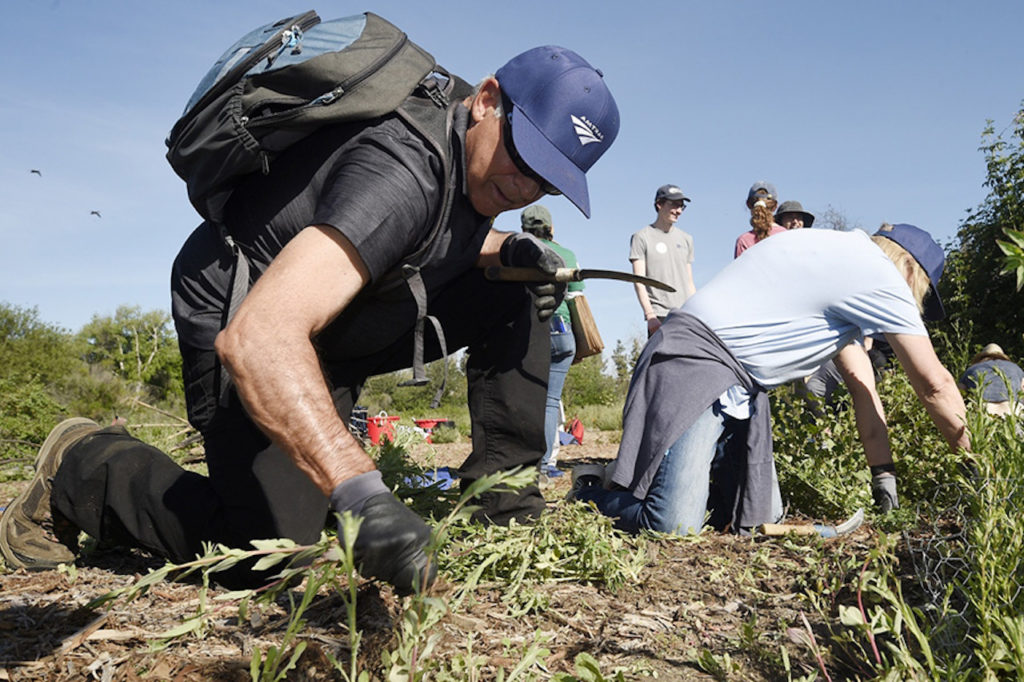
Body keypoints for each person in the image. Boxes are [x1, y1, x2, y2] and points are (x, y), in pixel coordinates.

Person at [0, 46, 620, 594]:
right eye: (523, 156)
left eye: (549, 179)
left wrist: (506, 249)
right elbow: (259, 337)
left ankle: (502, 505)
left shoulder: (469, 154)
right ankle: (86, 462)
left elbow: (420, 241)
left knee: (520, 283)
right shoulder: (400, 171)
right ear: (486, 100)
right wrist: (360, 492)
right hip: (247, 317)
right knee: (267, 555)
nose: (524, 186)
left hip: (338, 320)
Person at [571, 223, 970, 535]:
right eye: (917, 294)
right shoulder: (880, 275)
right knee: (671, 525)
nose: (911, 305)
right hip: (695, 361)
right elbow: (935, 385)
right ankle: (589, 492)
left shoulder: (840, 267)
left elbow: (864, 390)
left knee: (755, 514)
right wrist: (976, 468)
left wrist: (884, 481)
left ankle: (667, 478)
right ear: (909, 270)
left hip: (738, 382)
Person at [520, 205, 582, 481]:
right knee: (549, 401)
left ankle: (527, 463)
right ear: (551, 228)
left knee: (524, 399)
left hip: (530, 335)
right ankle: (546, 464)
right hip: (563, 334)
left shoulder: (519, 252)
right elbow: (576, 298)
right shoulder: (566, 254)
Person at [629, 184, 696, 337]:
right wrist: (650, 315)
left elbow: (689, 281)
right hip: (660, 315)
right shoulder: (641, 237)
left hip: (686, 314)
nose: (678, 211)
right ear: (659, 204)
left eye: (681, 206)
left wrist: (695, 310)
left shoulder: (687, 239)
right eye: (674, 205)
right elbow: (638, 281)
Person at [959, 343, 1024, 417]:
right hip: (1013, 410)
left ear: (981, 358)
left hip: (983, 411)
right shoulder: (1015, 368)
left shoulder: (972, 369)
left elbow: (959, 394)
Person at [734, 181, 785, 257]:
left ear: (748, 204)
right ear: (775, 206)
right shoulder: (786, 235)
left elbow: (741, 268)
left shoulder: (743, 241)